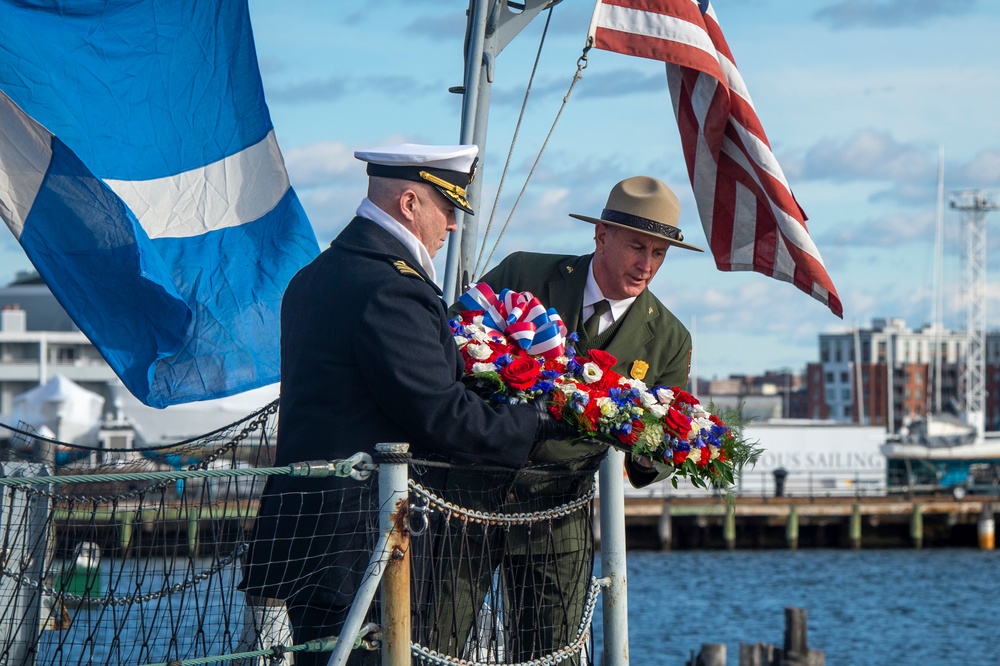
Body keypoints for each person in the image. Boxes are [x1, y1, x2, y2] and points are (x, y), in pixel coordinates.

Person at [238, 143, 569, 666]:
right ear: (410, 203)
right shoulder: (390, 288)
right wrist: (536, 422)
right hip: (360, 546)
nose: (454, 225)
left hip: (313, 538)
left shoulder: (317, 276)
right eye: (449, 208)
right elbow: (438, 412)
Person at [435, 175, 704, 662]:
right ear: (601, 235)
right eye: (637, 247)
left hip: (560, 520)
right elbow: (447, 344)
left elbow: (663, 442)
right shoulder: (523, 274)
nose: (647, 265)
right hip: (469, 493)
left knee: (551, 654)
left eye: (660, 254)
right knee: (434, 641)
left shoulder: (669, 338)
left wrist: (651, 445)